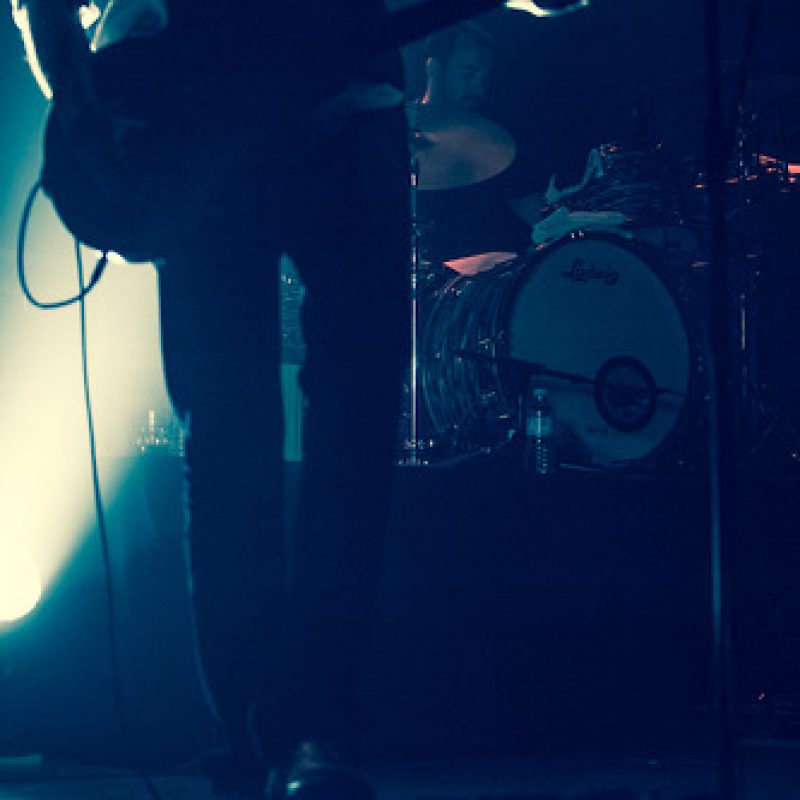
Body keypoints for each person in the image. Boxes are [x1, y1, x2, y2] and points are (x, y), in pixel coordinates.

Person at [13, 1, 410, 798]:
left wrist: (87, 103)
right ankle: (286, 736)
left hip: (325, 92)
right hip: (205, 101)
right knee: (279, 434)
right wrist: (85, 104)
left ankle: (291, 734)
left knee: (308, 431)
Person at [411, 21, 532, 273]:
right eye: (468, 73)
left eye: (483, 78)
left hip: (492, 281)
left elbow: (534, 216)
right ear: (435, 69)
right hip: (427, 282)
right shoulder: (396, 138)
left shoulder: (495, 141)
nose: (479, 88)